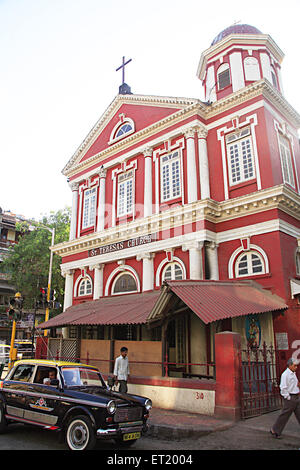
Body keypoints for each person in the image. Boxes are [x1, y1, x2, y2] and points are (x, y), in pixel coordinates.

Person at [270, 357, 300, 438]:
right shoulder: (285, 375)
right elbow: (283, 388)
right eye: (295, 366)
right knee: (285, 415)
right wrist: (288, 397)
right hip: (291, 398)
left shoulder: (293, 373)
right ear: (290, 365)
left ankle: (275, 430)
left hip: (296, 396)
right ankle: (275, 430)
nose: (296, 367)